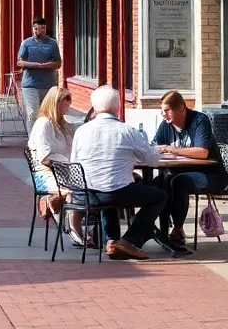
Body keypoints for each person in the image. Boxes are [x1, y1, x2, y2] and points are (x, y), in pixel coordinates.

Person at [70, 85, 168, 260]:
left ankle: (112, 241)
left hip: (86, 194)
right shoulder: (126, 131)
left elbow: (74, 163)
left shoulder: (81, 131)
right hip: (114, 192)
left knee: (109, 188)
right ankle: (130, 240)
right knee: (159, 196)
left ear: (94, 107)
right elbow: (152, 160)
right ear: (118, 107)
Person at [150, 89, 224, 245]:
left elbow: (202, 152)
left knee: (179, 182)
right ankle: (156, 229)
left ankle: (177, 229)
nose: (164, 115)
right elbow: (155, 147)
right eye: (162, 111)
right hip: (177, 171)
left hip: (208, 174)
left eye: (167, 110)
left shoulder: (199, 121)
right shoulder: (165, 126)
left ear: (181, 108)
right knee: (158, 183)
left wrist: (172, 149)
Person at [28, 86, 82, 244]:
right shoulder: (43, 124)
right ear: (55, 102)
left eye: (70, 98)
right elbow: (44, 158)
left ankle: (59, 206)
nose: (69, 103)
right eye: (66, 99)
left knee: (91, 188)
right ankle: (73, 229)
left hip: (66, 171)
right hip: (46, 173)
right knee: (74, 191)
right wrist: (66, 168)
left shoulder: (65, 125)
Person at [18, 17, 62, 124]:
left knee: (47, 114)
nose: (40, 30)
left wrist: (48, 65)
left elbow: (58, 63)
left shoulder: (52, 43)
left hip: (48, 84)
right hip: (30, 85)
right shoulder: (26, 43)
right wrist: (35, 65)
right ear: (33, 29)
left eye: (42, 28)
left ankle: (45, 136)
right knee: (33, 113)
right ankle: (33, 139)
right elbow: (20, 62)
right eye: (37, 28)